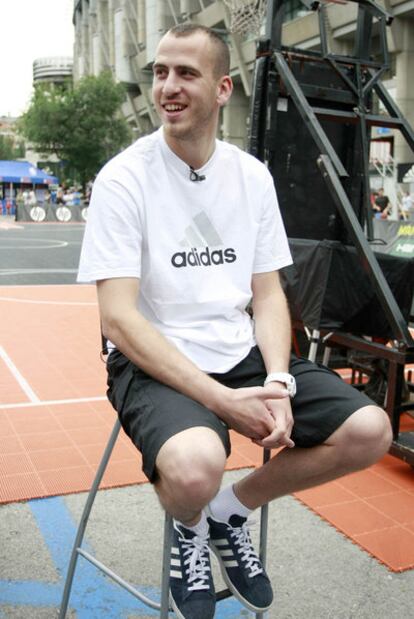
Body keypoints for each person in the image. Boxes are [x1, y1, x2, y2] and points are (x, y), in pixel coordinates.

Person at [77, 24, 392, 619]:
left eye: (186, 73)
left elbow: (268, 296)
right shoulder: (124, 178)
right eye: (160, 72)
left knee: (370, 430)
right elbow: (118, 319)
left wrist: (276, 379)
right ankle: (191, 523)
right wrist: (224, 402)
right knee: (196, 466)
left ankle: (229, 510)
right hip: (153, 359)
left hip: (238, 350)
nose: (168, 86)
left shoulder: (250, 176)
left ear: (223, 89)